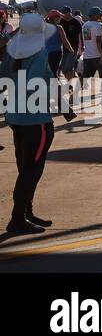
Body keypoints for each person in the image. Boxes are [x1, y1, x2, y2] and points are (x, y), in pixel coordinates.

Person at [1, 12, 58, 234]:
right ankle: (17, 219)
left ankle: (26, 212)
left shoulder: (12, 51)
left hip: (15, 117)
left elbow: (3, 76)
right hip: (37, 119)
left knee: (25, 168)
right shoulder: (40, 51)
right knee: (32, 171)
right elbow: (34, 82)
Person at [44, 10, 76, 123]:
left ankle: (62, 109)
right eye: (59, 17)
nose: (60, 18)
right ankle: (65, 109)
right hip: (56, 55)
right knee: (52, 80)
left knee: (49, 80)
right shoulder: (59, 28)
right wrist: (71, 50)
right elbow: (65, 41)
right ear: (55, 18)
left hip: (45, 55)